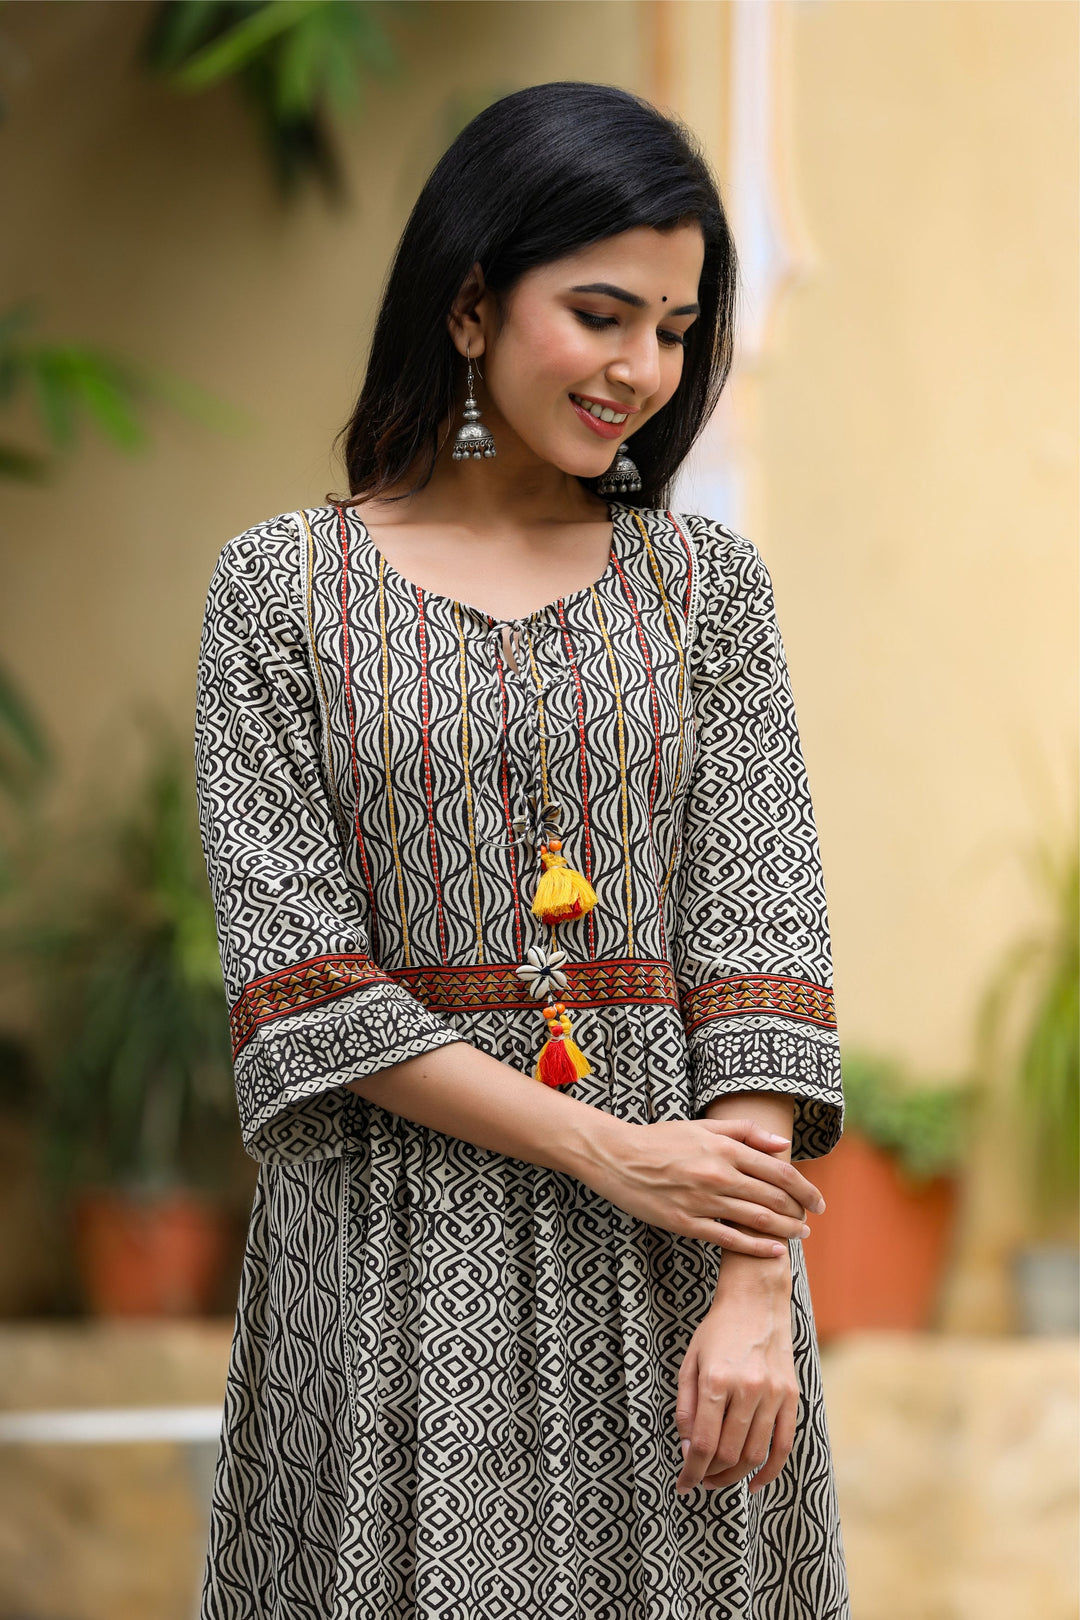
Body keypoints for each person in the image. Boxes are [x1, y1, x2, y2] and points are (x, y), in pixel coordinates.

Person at [194, 80, 849, 1620]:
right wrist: (606, 1148)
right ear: (471, 304)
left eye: (674, 330)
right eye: (601, 315)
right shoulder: (279, 592)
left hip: (678, 1266)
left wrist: (754, 1286)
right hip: (386, 1262)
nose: (641, 369)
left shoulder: (706, 591)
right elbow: (304, 985)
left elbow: (761, 941)